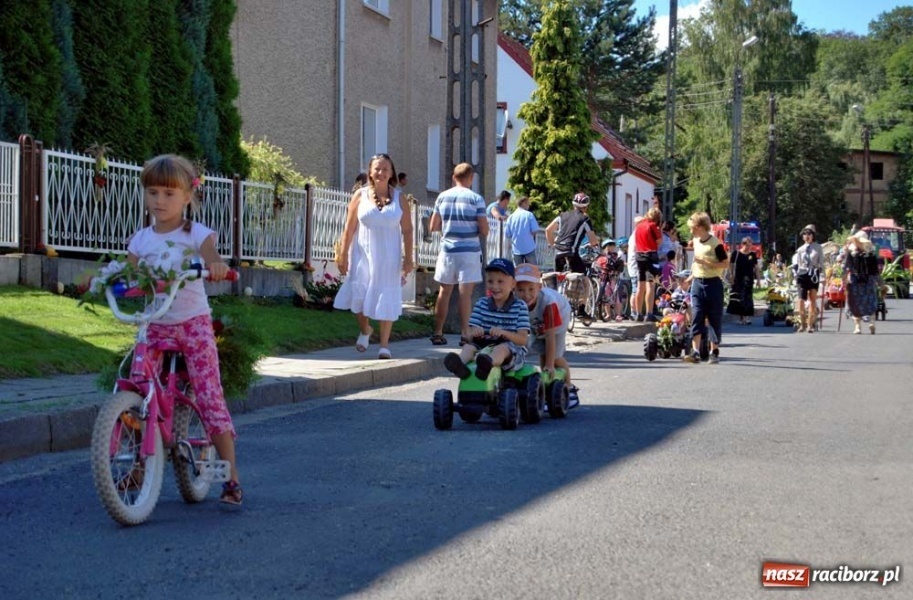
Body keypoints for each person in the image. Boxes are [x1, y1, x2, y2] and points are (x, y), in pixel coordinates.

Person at [128, 154, 242, 506]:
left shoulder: (197, 234)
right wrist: (110, 280)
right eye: (153, 193)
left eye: (168, 194)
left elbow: (211, 258)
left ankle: (231, 479)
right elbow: (128, 274)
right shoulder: (140, 240)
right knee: (138, 391)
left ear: (187, 197)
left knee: (208, 396)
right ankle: (135, 464)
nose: (159, 201)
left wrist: (217, 266)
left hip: (192, 325)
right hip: (156, 324)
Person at [334, 154, 414, 359]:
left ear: (391, 172)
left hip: (389, 257)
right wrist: (343, 254)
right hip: (363, 254)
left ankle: (384, 345)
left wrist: (408, 258)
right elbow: (349, 228)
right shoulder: (360, 196)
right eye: (377, 168)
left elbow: (407, 230)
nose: (381, 172)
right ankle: (365, 329)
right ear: (370, 171)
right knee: (358, 295)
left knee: (386, 295)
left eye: (386, 168)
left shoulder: (399, 198)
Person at [429, 163, 489, 346]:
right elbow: (484, 230)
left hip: (447, 251)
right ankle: (465, 334)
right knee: (465, 295)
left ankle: (438, 332)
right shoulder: (476, 199)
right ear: (471, 178)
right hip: (469, 252)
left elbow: (433, 226)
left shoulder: (442, 197)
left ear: (454, 177)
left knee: (444, 293)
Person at [443, 258, 530, 381]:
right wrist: (474, 332)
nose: (495, 286)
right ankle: (460, 366)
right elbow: (469, 335)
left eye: (500, 281)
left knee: (502, 349)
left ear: (513, 284)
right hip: (483, 346)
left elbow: (522, 339)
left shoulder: (520, 306)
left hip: (511, 352)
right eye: (490, 281)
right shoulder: (482, 303)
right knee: (469, 347)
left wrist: (503, 333)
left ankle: (487, 364)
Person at [514, 263, 579, 407]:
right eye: (521, 290)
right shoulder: (514, 301)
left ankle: (569, 387)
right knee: (542, 354)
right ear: (514, 289)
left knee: (554, 358)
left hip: (558, 319)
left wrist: (550, 365)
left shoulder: (548, 302)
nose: (526, 295)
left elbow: (550, 336)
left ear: (539, 287)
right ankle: (546, 390)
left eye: (531, 289)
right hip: (536, 323)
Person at [682, 211, 727, 364]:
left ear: (701, 227)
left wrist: (708, 263)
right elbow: (696, 262)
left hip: (713, 283)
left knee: (714, 318)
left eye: (693, 227)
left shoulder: (716, 243)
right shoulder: (695, 241)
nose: (691, 231)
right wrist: (690, 278)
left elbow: (725, 263)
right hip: (697, 284)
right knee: (697, 315)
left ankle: (714, 351)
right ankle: (695, 352)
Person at [545, 192, 599, 273]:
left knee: (558, 275)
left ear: (573, 205)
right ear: (586, 207)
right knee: (581, 275)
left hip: (558, 251)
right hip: (571, 252)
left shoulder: (562, 215)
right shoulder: (585, 219)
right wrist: (594, 245)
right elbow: (593, 241)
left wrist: (553, 245)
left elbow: (548, 230)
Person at [843, 230, 880, 334]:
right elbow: (875, 271)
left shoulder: (852, 254)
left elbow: (846, 268)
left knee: (855, 303)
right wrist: (880, 283)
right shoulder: (871, 254)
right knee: (870, 301)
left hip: (856, 280)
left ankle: (858, 327)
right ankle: (871, 322)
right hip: (868, 280)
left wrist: (844, 279)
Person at [791, 224, 825, 333]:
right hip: (802, 274)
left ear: (813, 235)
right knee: (801, 300)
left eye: (809, 233)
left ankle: (810, 324)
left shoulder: (818, 247)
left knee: (813, 300)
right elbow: (798, 264)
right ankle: (802, 324)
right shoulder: (800, 250)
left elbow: (821, 263)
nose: (807, 236)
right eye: (805, 234)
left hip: (813, 274)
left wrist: (823, 276)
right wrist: (795, 275)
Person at [632, 207, 663, 322]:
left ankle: (637, 313)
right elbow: (659, 242)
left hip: (639, 256)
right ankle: (649, 313)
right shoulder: (653, 226)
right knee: (651, 285)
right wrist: (660, 230)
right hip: (651, 256)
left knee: (640, 286)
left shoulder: (639, 226)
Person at [727, 237, 761, 325]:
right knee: (740, 298)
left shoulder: (752, 255)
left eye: (750, 245)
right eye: (748, 245)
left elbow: (756, 268)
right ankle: (741, 318)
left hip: (749, 279)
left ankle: (746, 317)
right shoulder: (736, 253)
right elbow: (730, 265)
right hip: (738, 278)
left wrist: (758, 280)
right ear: (743, 244)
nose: (749, 247)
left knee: (748, 297)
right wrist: (731, 276)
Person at [595, 238, 626, 321]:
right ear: (605, 247)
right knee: (606, 297)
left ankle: (618, 314)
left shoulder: (614, 255)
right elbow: (597, 265)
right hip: (604, 278)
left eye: (612, 246)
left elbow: (618, 265)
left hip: (613, 278)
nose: (611, 247)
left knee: (617, 297)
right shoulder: (601, 257)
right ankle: (608, 314)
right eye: (609, 246)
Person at [504, 195, 539, 265]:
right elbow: (534, 230)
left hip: (516, 248)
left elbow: (508, 234)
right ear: (524, 203)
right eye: (528, 203)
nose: (529, 206)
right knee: (532, 271)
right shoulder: (529, 215)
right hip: (529, 247)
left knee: (517, 272)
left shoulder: (511, 217)